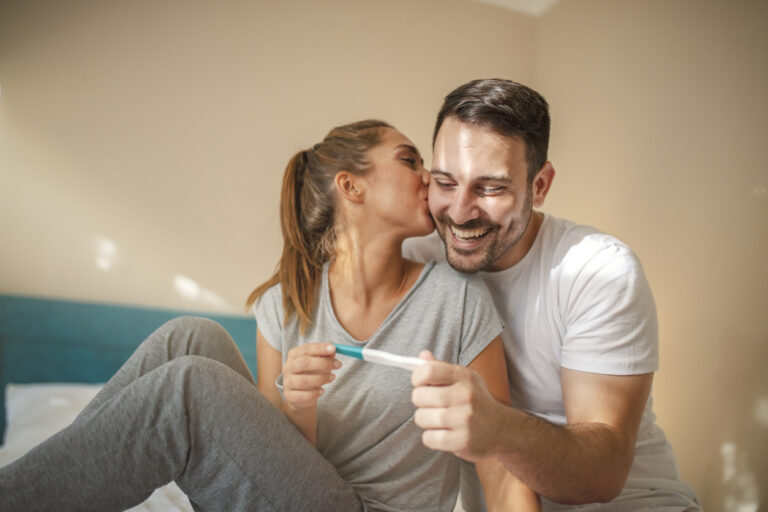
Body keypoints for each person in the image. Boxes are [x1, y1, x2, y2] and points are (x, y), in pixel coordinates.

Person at [0, 119, 538, 511]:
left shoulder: (457, 299)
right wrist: (298, 407)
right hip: (309, 495)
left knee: (192, 387)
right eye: (409, 160)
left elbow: (501, 455)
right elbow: (269, 476)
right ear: (351, 186)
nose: (431, 176)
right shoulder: (286, 304)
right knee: (188, 340)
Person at [404, 79, 702, 511]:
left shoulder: (598, 271)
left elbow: (604, 473)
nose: (461, 211)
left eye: (490, 188)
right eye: (445, 183)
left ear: (540, 186)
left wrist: (498, 427)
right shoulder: (416, 257)